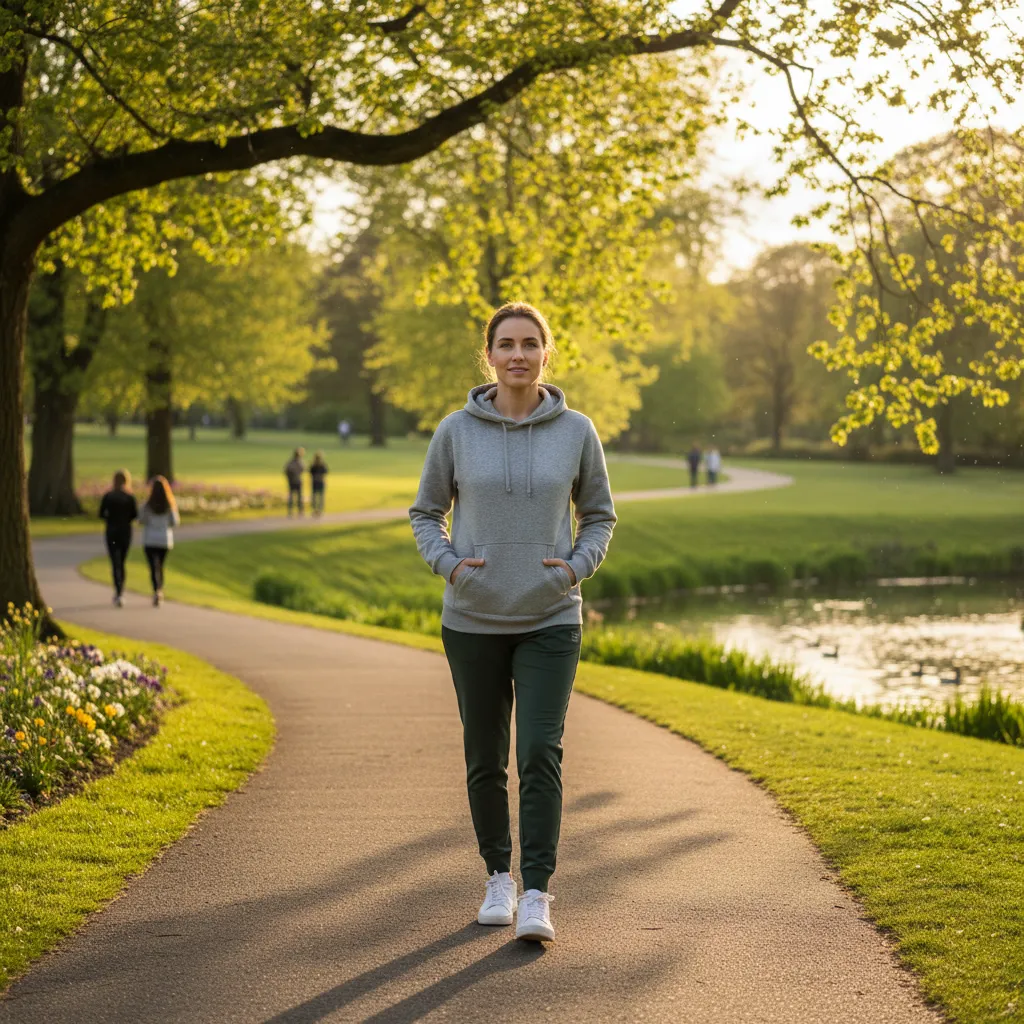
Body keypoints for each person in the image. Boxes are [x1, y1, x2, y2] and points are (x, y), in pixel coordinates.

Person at [409, 301, 616, 944]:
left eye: (530, 343)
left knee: (539, 753)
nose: (518, 354)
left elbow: (601, 517)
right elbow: (425, 513)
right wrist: (451, 567)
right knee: (484, 757)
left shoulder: (577, 430)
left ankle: (536, 893)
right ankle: (497, 875)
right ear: (490, 355)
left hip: (551, 617)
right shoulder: (455, 430)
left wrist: (572, 570)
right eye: (507, 344)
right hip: (472, 619)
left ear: (546, 354)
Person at [98, 469, 138, 607]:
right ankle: (121, 591)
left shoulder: (109, 496)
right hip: (125, 532)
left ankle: (117, 591)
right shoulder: (129, 497)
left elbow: (101, 514)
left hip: (112, 531)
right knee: (122, 561)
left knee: (115, 561)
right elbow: (134, 515)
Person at [139, 476, 180, 607]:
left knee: (153, 567)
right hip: (164, 540)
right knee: (160, 566)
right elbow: (175, 522)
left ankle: (156, 589)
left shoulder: (147, 505)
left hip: (150, 540)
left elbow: (141, 520)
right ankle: (160, 589)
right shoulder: (169, 505)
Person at [284, 447, 305, 516]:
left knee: (292, 496)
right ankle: (299, 511)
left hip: (292, 481)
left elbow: (286, 471)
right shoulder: (299, 462)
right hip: (297, 481)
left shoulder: (291, 463)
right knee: (298, 496)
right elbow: (303, 469)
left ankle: (291, 510)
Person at [309, 451, 329, 516]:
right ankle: (318, 510)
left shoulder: (315, 465)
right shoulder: (320, 465)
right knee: (319, 497)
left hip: (316, 482)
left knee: (317, 497)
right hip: (319, 482)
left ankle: (317, 510)